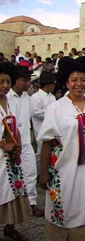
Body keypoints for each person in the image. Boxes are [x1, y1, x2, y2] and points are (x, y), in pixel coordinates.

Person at [37, 56, 85, 241]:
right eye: (74, 80)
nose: (79, 84)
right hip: (63, 169)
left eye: (83, 80)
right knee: (64, 207)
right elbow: (47, 142)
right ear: (66, 82)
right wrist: (43, 173)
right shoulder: (56, 108)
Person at [7, 66, 44, 217]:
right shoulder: (7, 97)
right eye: (24, 80)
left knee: (30, 173)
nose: (27, 83)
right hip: (9, 145)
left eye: (28, 80)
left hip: (26, 142)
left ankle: (32, 203)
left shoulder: (27, 98)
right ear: (15, 80)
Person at [0, 62, 32, 241]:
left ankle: (9, 226)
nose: (5, 86)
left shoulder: (10, 102)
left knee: (12, 191)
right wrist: (3, 144)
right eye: (1, 82)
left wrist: (16, 144)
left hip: (11, 158)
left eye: (7, 82)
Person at [30, 72, 56, 172]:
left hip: (52, 128)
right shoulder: (36, 97)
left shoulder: (52, 97)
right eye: (53, 84)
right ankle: (37, 173)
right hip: (40, 129)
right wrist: (51, 113)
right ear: (48, 84)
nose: (54, 86)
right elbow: (36, 112)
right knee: (41, 152)